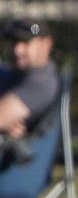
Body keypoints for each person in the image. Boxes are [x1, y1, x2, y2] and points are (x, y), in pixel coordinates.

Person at [0, 19, 60, 169]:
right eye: (14, 42)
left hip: (12, 170)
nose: (17, 50)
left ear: (46, 44)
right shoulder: (11, 75)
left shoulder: (41, 83)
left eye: (26, 43)